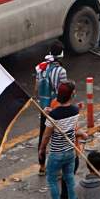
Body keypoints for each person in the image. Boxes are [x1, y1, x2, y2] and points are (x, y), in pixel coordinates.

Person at [41, 81, 87, 199]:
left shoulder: (53, 116)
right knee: (69, 178)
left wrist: (42, 148)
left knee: (52, 180)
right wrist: (51, 113)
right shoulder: (75, 111)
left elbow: (47, 135)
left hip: (56, 153)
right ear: (71, 95)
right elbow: (68, 124)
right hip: (70, 151)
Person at [35, 41, 67, 172]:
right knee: (58, 137)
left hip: (44, 108)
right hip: (57, 108)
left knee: (43, 136)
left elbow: (36, 88)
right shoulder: (61, 71)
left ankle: (42, 166)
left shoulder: (40, 67)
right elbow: (64, 91)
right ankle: (58, 168)